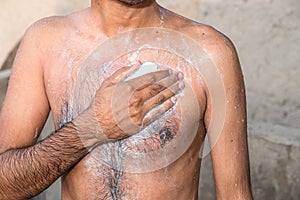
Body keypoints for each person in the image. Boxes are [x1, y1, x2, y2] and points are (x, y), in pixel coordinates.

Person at [0, 0, 253, 199]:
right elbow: (4, 187)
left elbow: (235, 195)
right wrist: (92, 128)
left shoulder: (211, 53)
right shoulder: (45, 42)